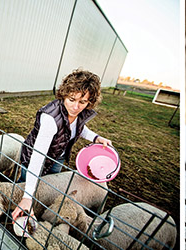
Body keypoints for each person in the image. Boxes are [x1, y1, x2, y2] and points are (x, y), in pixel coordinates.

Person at [11, 69, 113, 221]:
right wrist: (26, 197)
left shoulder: (77, 114)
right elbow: (38, 157)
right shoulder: (50, 119)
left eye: (82, 102)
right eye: (72, 99)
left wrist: (96, 138)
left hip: (58, 157)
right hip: (34, 157)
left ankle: (39, 209)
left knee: (49, 186)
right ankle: (16, 207)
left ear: (89, 102)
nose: (76, 106)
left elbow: (79, 128)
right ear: (64, 94)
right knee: (25, 185)